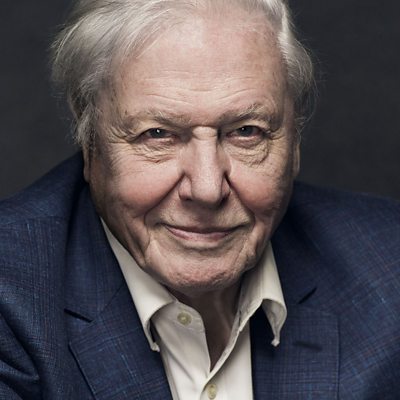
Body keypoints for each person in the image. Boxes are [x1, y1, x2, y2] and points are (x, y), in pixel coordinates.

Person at [0, 0, 399, 398]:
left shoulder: (389, 268)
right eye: (158, 134)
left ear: (294, 139)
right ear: (90, 141)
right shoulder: (12, 299)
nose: (208, 190)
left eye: (246, 132)